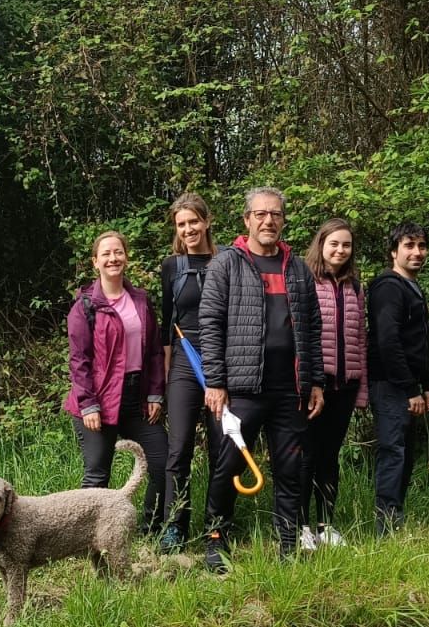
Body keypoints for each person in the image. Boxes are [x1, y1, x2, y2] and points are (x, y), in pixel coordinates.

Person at [199, 187, 325, 570]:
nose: (268, 221)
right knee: (229, 464)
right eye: (260, 214)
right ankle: (215, 540)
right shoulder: (226, 264)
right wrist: (216, 381)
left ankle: (288, 548)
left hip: (290, 390)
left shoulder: (299, 268)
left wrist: (315, 380)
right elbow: (210, 324)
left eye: (275, 215)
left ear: (283, 221)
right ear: (247, 220)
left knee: (290, 468)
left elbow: (313, 328)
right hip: (241, 390)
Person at [64, 231, 168, 530]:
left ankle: (152, 529)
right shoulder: (85, 307)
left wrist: (155, 394)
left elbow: (153, 352)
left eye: (118, 252)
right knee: (97, 476)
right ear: (95, 261)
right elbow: (79, 361)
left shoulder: (140, 300)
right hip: (97, 401)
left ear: (126, 257)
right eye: (106, 254)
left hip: (137, 400)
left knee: (162, 465)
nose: (113, 258)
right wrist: (88, 405)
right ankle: (84, 540)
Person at [366, 223, 429, 535]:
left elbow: (418, 342)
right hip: (389, 384)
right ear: (394, 251)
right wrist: (410, 389)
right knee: (393, 451)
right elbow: (388, 341)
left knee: (405, 452)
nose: (417, 252)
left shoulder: (412, 287)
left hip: (407, 385)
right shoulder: (388, 286)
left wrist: (428, 385)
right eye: (409, 246)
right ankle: (386, 525)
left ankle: (395, 517)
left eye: (422, 246)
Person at [301, 218, 367, 549]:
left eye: (346, 245)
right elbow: (301, 336)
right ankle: (300, 526)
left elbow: (360, 341)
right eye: (334, 244)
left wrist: (362, 389)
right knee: (306, 455)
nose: (340, 250)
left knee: (329, 456)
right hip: (316, 384)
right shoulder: (306, 281)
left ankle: (326, 525)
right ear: (321, 245)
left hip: (347, 385)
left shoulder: (356, 287)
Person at [157, 193, 217, 553]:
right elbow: (167, 323)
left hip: (221, 359)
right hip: (183, 356)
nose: (189, 228)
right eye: (182, 224)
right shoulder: (172, 266)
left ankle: (216, 527)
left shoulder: (228, 260)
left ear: (207, 221)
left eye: (194, 221)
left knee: (220, 449)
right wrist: (165, 375)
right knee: (178, 449)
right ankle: (174, 526)